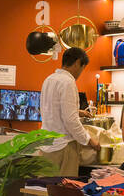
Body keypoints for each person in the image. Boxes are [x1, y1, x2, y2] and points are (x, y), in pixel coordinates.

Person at [38, 47, 92, 176]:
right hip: (63, 147)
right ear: (78, 63)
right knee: (63, 192)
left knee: (43, 191)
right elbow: (70, 120)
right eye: (82, 68)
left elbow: (50, 108)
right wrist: (88, 139)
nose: (80, 72)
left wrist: (77, 111)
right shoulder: (68, 82)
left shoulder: (49, 79)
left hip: (46, 145)